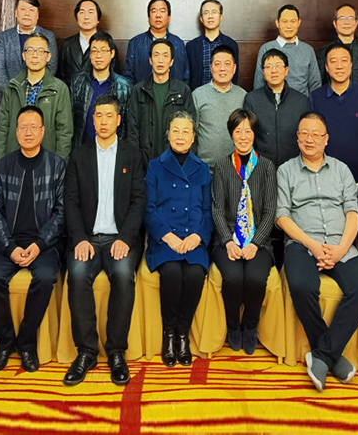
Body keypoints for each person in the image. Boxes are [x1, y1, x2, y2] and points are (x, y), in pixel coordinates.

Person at [277, 112, 358, 392]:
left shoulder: (342, 170)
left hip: (340, 244)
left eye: (316, 134)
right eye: (304, 133)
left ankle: (321, 355)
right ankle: (331, 355)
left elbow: (353, 213)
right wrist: (312, 245)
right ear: (297, 137)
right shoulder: (286, 171)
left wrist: (341, 249)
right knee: (302, 286)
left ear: (326, 139)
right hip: (303, 243)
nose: (310, 139)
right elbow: (282, 216)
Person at [63, 95, 147, 386]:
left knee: (123, 275)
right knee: (76, 274)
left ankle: (116, 351)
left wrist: (125, 238)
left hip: (119, 239)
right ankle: (86, 351)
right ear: (92, 119)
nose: (103, 121)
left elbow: (138, 201)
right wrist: (79, 238)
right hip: (87, 238)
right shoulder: (79, 155)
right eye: (98, 115)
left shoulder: (132, 156)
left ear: (119, 120)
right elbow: (71, 201)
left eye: (109, 115)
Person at [0, 106, 66, 373]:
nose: (28, 132)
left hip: (44, 244)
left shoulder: (56, 165)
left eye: (33, 127)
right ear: (16, 132)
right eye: (23, 127)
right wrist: (9, 247)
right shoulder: (3, 165)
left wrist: (39, 244)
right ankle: (5, 344)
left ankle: (27, 343)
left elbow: (61, 212)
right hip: (9, 243)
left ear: (43, 131)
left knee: (45, 278)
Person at [144, 112, 211, 367]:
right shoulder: (155, 166)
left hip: (193, 238)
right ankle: (168, 333)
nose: (180, 136)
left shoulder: (202, 169)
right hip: (165, 238)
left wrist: (197, 235)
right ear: (168, 135)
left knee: (194, 273)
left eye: (186, 131)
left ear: (193, 138)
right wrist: (168, 236)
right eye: (175, 131)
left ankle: (183, 333)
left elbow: (207, 211)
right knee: (171, 272)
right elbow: (149, 209)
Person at [211, 110, 276, 355]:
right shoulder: (222, 166)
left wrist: (255, 243)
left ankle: (250, 327)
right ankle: (232, 327)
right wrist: (228, 241)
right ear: (231, 134)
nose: (243, 136)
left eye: (248, 131)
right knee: (233, 278)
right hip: (227, 239)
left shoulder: (267, 167)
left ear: (254, 134)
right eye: (238, 131)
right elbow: (217, 209)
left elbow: (270, 211)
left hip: (259, 241)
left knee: (256, 278)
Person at [0, 33, 73, 159]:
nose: (35, 55)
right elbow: (2, 129)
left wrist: (59, 165)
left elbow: (64, 133)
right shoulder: (12, 86)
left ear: (48, 57)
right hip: (14, 159)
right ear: (24, 56)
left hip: (46, 160)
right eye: (30, 50)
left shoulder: (59, 89)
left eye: (40, 51)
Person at [310, 44, 358, 181]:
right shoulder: (315, 98)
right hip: (326, 177)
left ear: (351, 65)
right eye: (333, 61)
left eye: (344, 61)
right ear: (326, 67)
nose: (339, 66)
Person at [128, 38, 196, 163]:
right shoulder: (139, 90)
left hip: (175, 160)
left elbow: (191, 129)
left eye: (165, 56)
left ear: (171, 61)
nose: (160, 60)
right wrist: (135, 161)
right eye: (156, 55)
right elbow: (133, 130)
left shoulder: (183, 90)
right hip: (144, 160)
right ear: (150, 60)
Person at [243, 48, 310, 168]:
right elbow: (247, 136)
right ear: (263, 72)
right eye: (268, 67)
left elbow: (306, 137)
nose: (273, 70)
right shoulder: (252, 99)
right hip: (261, 166)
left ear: (286, 70)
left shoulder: (301, 101)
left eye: (278, 66)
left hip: (294, 167)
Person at [69, 30, 133, 147]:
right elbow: (71, 120)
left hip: (113, 150)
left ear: (112, 53)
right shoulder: (77, 82)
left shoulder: (124, 86)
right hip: (82, 149)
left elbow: (128, 127)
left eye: (103, 51)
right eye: (94, 51)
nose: (98, 56)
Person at [191, 45, 247, 168]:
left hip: (235, 169)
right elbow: (192, 133)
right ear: (211, 68)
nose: (222, 69)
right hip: (204, 168)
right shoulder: (198, 95)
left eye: (227, 64)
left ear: (234, 68)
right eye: (217, 64)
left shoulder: (243, 95)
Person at [0, 0, 57, 100]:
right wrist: (11, 93)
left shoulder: (48, 36)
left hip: (39, 97)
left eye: (31, 10)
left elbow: (51, 67)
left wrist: (35, 93)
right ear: (16, 13)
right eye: (23, 9)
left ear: (37, 15)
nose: (27, 13)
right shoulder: (4, 37)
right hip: (10, 98)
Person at [253, 4, 322, 95]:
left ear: (299, 22)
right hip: (272, 101)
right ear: (277, 23)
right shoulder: (266, 48)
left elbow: (315, 84)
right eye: (284, 21)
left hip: (302, 102)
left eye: (293, 21)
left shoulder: (308, 50)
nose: (289, 26)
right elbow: (259, 84)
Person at [124, 0, 189, 83]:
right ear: (148, 17)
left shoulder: (178, 43)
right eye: (154, 11)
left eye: (162, 11)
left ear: (169, 17)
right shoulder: (135, 43)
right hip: (142, 91)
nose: (158, 15)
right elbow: (128, 76)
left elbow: (185, 76)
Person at [315, 4, 358, 85]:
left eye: (350, 18)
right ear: (335, 23)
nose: (346, 22)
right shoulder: (322, 53)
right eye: (342, 18)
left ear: (356, 23)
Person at [185, 0, 239, 90]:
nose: (210, 16)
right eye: (206, 13)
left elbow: (234, 75)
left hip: (223, 94)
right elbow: (188, 77)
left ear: (220, 17)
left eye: (214, 12)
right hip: (198, 94)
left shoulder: (231, 44)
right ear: (201, 19)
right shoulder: (192, 46)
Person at [57, 0, 105, 85]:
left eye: (91, 12)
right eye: (82, 12)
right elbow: (61, 76)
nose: (86, 17)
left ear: (98, 19)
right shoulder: (67, 45)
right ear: (76, 18)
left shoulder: (107, 44)